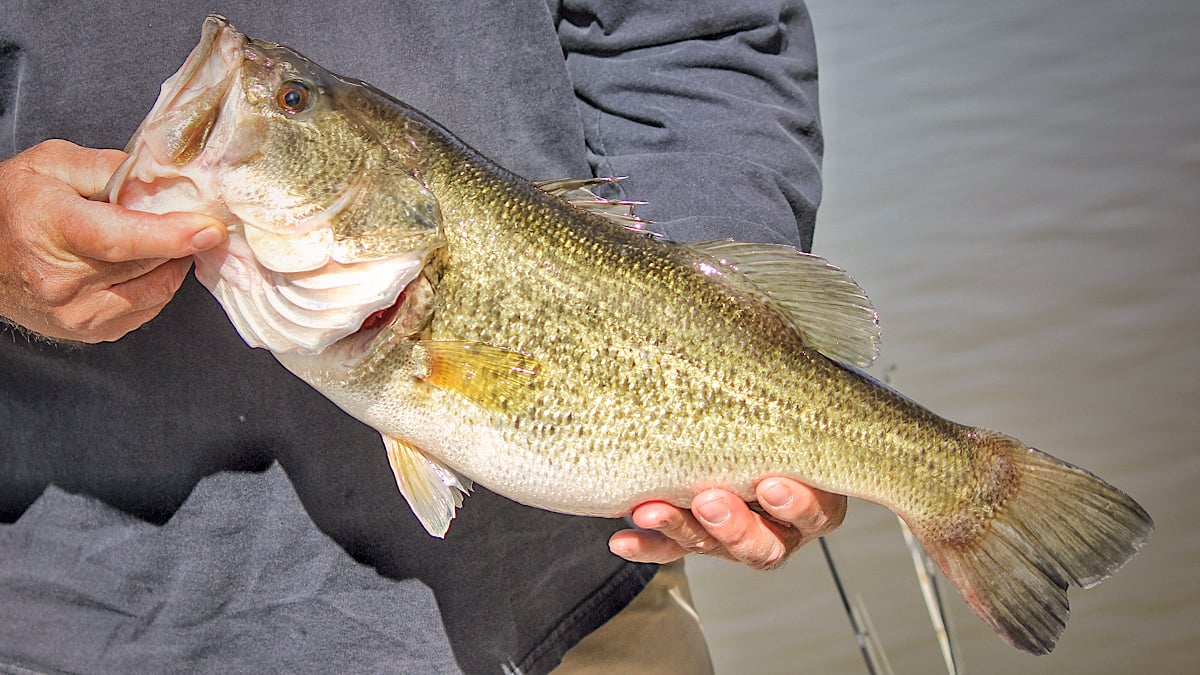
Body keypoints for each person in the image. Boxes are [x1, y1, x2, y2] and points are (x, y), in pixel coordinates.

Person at [0, 1, 843, 672]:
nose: (249, 82)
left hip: (580, 612)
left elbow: (697, 32)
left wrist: (722, 348)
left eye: (292, 101)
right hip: (90, 623)